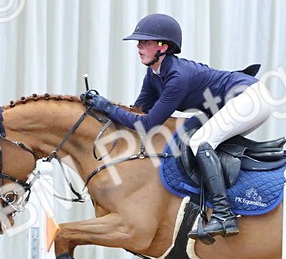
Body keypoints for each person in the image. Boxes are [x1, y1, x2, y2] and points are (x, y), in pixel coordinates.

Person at [82, 14, 274, 242]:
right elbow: (138, 112)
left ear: (163, 47)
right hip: (226, 103)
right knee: (184, 138)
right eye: (139, 42)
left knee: (200, 143)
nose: (139, 46)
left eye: (145, 42)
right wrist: (101, 110)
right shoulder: (153, 74)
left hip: (250, 98)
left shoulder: (177, 77)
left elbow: (147, 125)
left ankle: (224, 214)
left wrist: (108, 106)